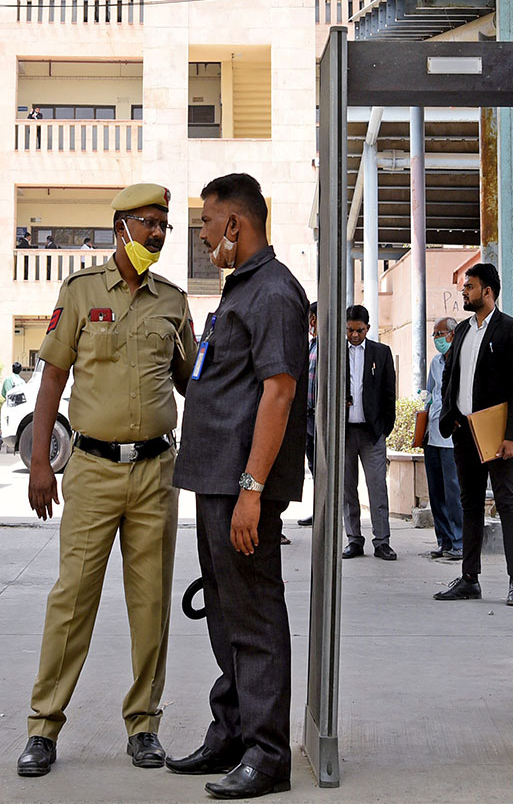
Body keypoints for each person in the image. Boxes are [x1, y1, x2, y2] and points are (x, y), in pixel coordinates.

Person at [17, 184, 198, 778]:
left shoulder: (173, 301)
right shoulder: (81, 292)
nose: (157, 234)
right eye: (148, 223)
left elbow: (191, 383)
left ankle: (144, 725)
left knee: (151, 604)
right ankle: (43, 726)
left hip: (156, 472)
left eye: (164, 225)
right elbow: (52, 379)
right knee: (72, 600)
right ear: (120, 227)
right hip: (92, 469)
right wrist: (40, 462)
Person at [168, 173, 308, 799]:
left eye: (205, 222)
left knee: (253, 615)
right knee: (226, 613)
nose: (200, 234)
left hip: (240, 485)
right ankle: (232, 731)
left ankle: (268, 754)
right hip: (216, 481)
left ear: (235, 224)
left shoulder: (274, 293)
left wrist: (252, 489)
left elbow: (279, 393)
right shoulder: (241, 289)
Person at [433, 262, 513, 607]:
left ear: (487, 292)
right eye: (464, 287)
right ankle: (469, 579)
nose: (464, 292)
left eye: (470, 287)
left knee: (506, 502)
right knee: (470, 504)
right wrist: (450, 418)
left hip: (498, 434)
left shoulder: (511, 330)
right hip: (464, 432)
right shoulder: (462, 330)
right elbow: (450, 376)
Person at [341, 304, 397, 561]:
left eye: (359, 330)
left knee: (377, 488)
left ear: (368, 328)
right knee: (347, 489)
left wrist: (384, 429)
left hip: (372, 433)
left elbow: (389, 393)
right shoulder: (336, 353)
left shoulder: (381, 353)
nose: (354, 335)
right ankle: (353, 539)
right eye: (350, 330)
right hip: (344, 433)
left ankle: (382, 541)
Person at [422, 317, 464, 560]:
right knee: (436, 492)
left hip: (451, 438)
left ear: (452, 334)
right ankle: (444, 540)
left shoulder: (461, 359)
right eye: (434, 335)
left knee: (453, 492)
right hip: (432, 435)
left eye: (440, 334)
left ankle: (459, 541)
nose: (436, 339)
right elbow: (430, 394)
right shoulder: (435, 363)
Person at [296, 303, 318, 527]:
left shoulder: (330, 348)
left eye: (313, 318)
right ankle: (318, 509)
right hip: (307, 417)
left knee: (323, 467)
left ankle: (326, 512)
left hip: (322, 419)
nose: (310, 323)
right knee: (314, 468)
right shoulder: (310, 346)